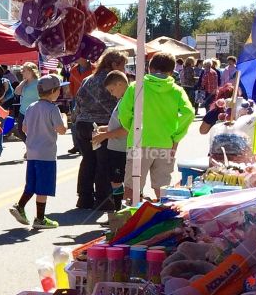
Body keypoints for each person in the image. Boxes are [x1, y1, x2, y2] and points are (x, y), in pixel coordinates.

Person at [117, 52, 194, 199]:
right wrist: (176, 136)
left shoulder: (136, 87)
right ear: (171, 72)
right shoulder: (177, 90)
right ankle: (164, 218)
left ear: (149, 68)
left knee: (132, 186)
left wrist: (131, 128)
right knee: (163, 188)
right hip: (165, 144)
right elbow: (189, 113)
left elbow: (123, 113)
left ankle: (130, 218)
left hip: (139, 142)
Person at [73, 48, 128, 212]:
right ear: (113, 64)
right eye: (123, 66)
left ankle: (84, 198)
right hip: (102, 126)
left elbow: (78, 101)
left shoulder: (89, 79)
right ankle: (103, 200)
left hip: (82, 124)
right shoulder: (113, 82)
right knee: (103, 163)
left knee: (88, 161)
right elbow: (118, 106)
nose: (124, 70)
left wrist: (77, 120)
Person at [10, 74, 67, 229]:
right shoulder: (53, 109)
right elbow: (61, 130)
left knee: (32, 184)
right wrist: (65, 119)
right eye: (58, 90)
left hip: (32, 152)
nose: (59, 93)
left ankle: (20, 206)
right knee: (43, 187)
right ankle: (40, 219)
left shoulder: (31, 107)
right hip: (46, 154)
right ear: (53, 91)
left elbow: (24, 128)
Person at [90, 70, 131, 211]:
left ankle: (119, 211)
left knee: (118, 181)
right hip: (117, 147)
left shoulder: (127, 100)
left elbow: (127, 129)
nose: (111, 94)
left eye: (112, 90)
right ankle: (118, 211)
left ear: (120, 84)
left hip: (122, 147)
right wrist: (105, 129)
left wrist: (104, 136)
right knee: (115, 180)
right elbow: (119, 125)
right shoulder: (122, 100)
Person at [14, 61, 40, 136]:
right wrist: (23, 82)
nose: (22, 72)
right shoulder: (24, 83)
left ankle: (33, 146)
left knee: (33, 132)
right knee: (20, 131)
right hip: (23, 111)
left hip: (34, 111)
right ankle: (30, 145)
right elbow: (16, 92)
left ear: (31, 71)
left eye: (24, 71)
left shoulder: (39, 82)